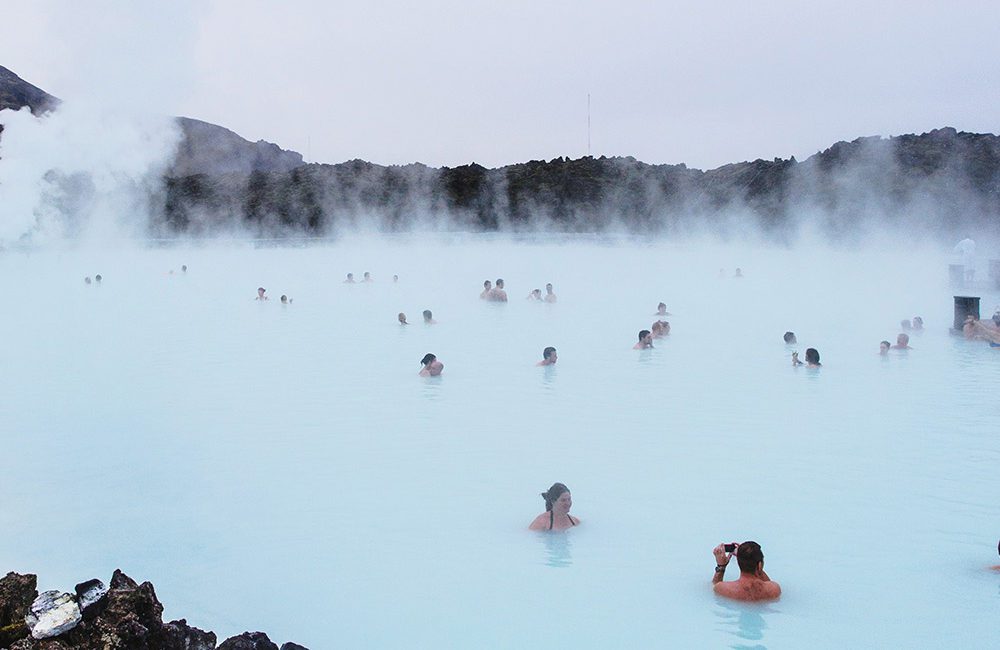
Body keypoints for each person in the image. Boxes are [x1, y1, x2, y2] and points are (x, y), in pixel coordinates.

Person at [711, 541, 780, 602]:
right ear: (760, 565)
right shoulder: (774, 589)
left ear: (738, 563)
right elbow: (768, 582)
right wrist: (758, 567)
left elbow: (714, 588)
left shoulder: (723, 588)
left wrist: (721, 566)